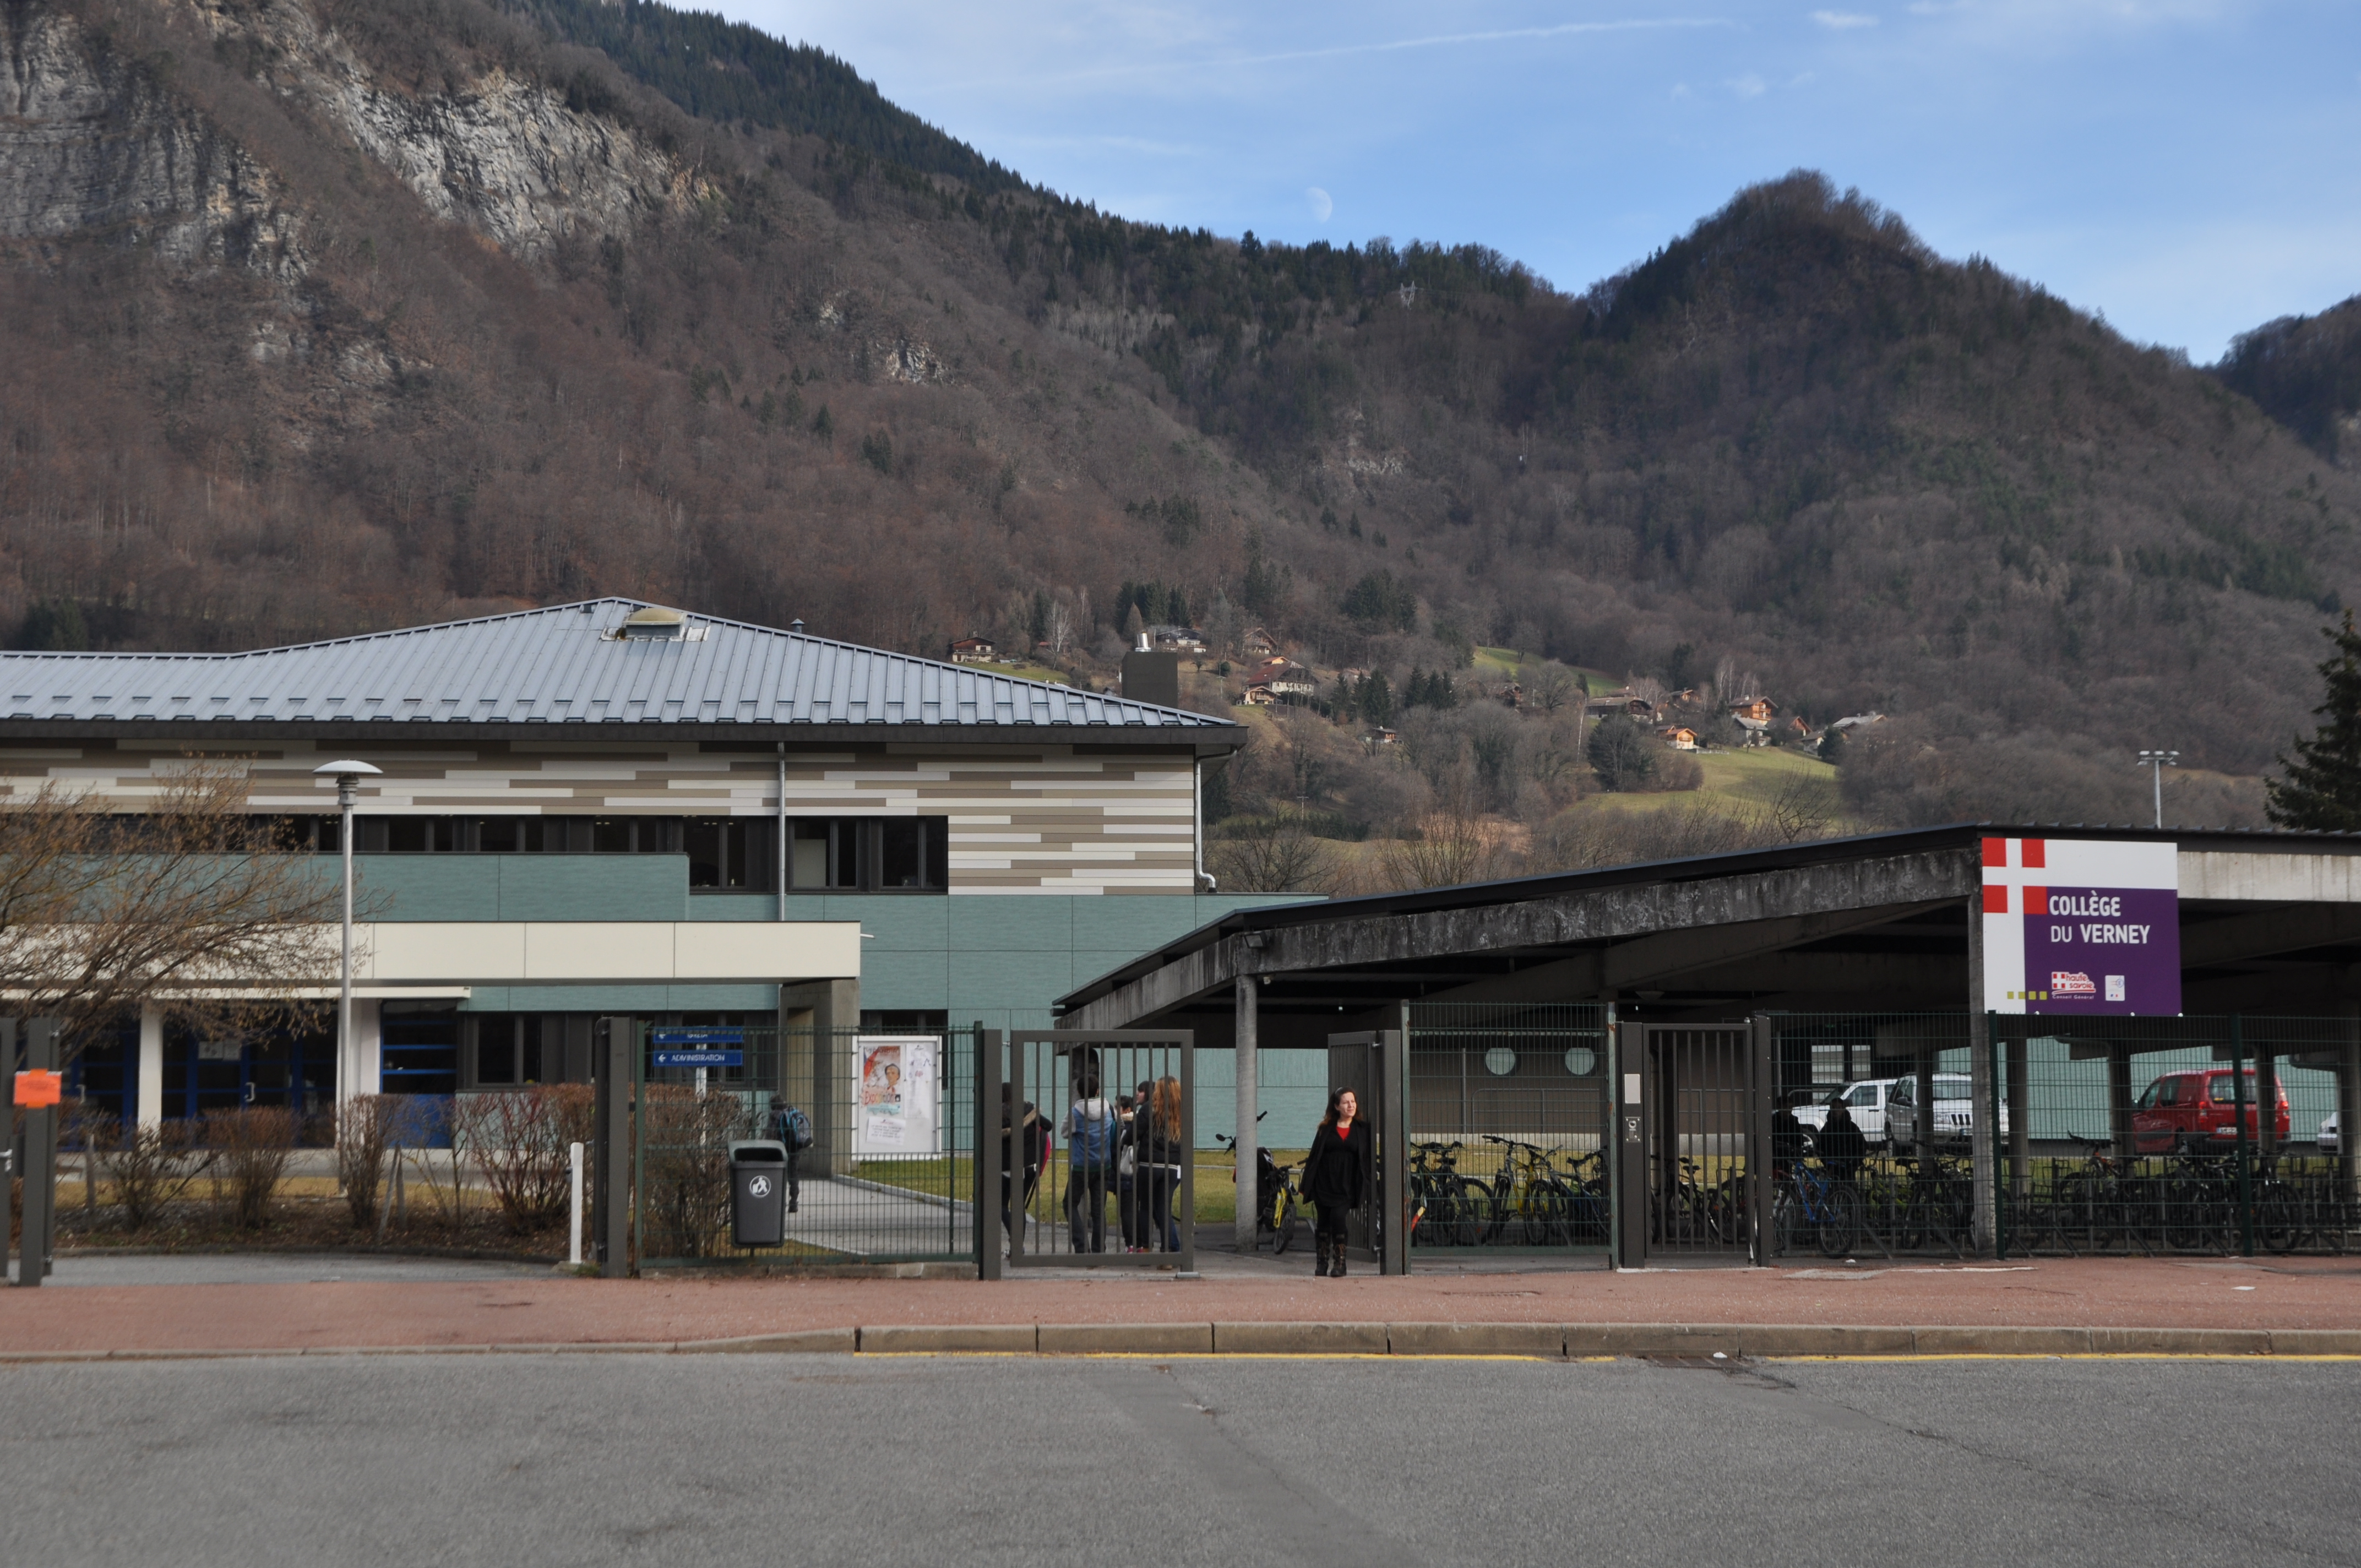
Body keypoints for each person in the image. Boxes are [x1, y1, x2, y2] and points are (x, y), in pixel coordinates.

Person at [1301, 1087, 1373, 1277]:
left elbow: (1367, 1159)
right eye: (1346, 1102)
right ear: (1337, 1106)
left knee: (1338, 1219)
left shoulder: (1363, 1130)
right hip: (1324, 1184)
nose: (1351, 1105)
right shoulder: (1326, 1129)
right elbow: (1315, 1156)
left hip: (1347, 1185)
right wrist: (1307, 1184)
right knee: (1323, 1224)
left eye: (1353, 1102)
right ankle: (1322, 1262)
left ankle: (1340, 1263)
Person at [1064, 1072, 1119, 1253]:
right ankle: (1098, 1251)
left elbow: (1065, 1133)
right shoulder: (1110, 1109)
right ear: (1098, 1090)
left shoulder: (1074, 1112)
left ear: (1079, 1093)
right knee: (1098, 1210)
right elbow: (1116, 1130)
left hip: (1081, 1166)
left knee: (1069, 1203)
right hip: (1104, 1165)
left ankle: (1081, 1248)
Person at [1134, 1076, 1184, 1253]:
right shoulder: (1181, 1112)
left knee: (1146, 1207)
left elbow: (1135, 1133)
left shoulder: (1150, 1109)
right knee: (1164, 1208)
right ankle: (1168, 1252)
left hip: (1150, 1164)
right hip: (1171, 1167)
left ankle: (1147, 1249)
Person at [1000, 1085, 1047, 1241]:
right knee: (1019, 1205)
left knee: (1001, 1205)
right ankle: (1018, 1247)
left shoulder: (998, 1114)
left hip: (1008, 1165)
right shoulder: (1028, 1110)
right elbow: (1049, 1126)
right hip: (1030, 1165)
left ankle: (1015, 1239)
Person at [765, 1094, 807, 1214]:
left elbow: (770, 1133)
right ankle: (794, 1202)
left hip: (780, 1149)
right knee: (793, 1175)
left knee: (778, 1176)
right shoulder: (793, 1112)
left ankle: (778, 1203)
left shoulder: (775, 1115)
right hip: (795, 1148)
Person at [1817, 1093, 1867, 1182]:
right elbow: (1820, 1146)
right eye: (1833, 1108)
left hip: (1848, 1166)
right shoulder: (1827, 1128)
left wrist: (1855, 1163)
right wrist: (1826, 1161)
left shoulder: (1851, 1127)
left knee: (1849, 1189)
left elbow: (1862, 1145)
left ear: (1843, 1109)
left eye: (1838, 1108)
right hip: (1832, 1166)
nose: (1835, 1111)